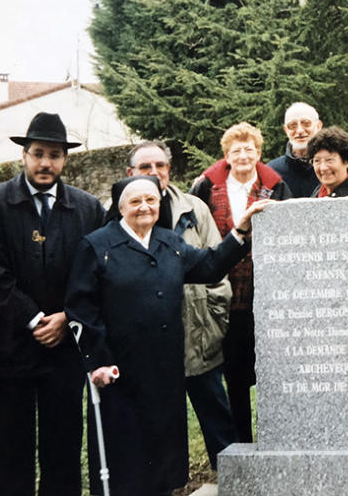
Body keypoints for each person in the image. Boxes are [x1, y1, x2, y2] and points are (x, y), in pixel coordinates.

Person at [65, 176, 267, 496]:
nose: (145, 207)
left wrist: (240, 232)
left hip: (166, 370)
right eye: (135, 202)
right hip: (119, 372)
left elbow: (210, 266)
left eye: (151, 200)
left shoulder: (169, 242)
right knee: (126, 460)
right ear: (120, 208)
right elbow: (81, 309)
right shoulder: (97, 245)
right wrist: (98, 362)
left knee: (163, 458)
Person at [0, 112, 105, 496]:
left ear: (66, 159)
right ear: (23, 155)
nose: (46, 163)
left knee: (62, 447)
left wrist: (66, 317)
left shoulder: (87, 209)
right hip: (9, 348)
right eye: (38, 153)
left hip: (64, 352)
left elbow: (93, 276)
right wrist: (33, 318)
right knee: (10, 450)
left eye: (55, 155)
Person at [126, 141, 235, 469]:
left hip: (199, 336)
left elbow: (217, 267)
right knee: (158, 430)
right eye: (146, 167)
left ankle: (231, 483)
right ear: (130, 173)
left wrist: (214, 321)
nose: (155, 173)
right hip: (149, 345)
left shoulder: (194, 209)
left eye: (160, 165)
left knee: (218, 424)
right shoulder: (119, 213)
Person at [191, 123, 292, 442]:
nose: (244, 155)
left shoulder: (275, 186)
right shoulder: (206, 187)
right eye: (236, 150)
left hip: (265, 294)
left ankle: (276, 439)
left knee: (272, 374)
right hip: (222, 295)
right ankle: (242, 444)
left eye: (249, 149)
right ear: (226, 157)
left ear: (259, 153)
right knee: (234, 376)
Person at [266, 102, 325, 197]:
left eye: (306, 123)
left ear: (318, 126)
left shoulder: (337, 168)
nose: (300, 131)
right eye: (292, 125)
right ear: (286, 130)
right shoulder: (271, 172)